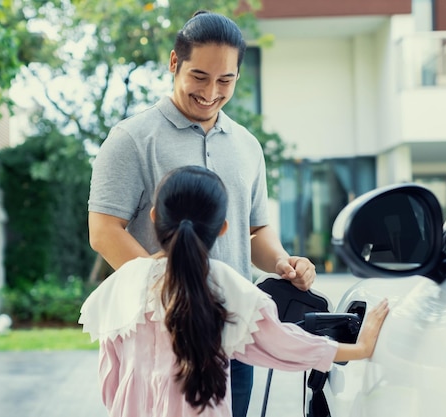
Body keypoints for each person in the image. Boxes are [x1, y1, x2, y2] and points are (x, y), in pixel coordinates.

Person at [88, 10, 317, 417]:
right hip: (164, 337)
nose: (211, 92)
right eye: (199, 77)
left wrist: (283, 261)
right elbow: (104, 231)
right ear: (175, 63)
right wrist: (170, 296)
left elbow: (256, 232)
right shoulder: (131, 140)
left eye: (225, 80)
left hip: (233, 332)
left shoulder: (248, 146)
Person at [80, 166, 389, 417]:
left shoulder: (120, 287)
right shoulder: (226, 286)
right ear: (223, 228)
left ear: (153, 219)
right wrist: (360, 348)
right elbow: (285, 344)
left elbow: (110, 384)